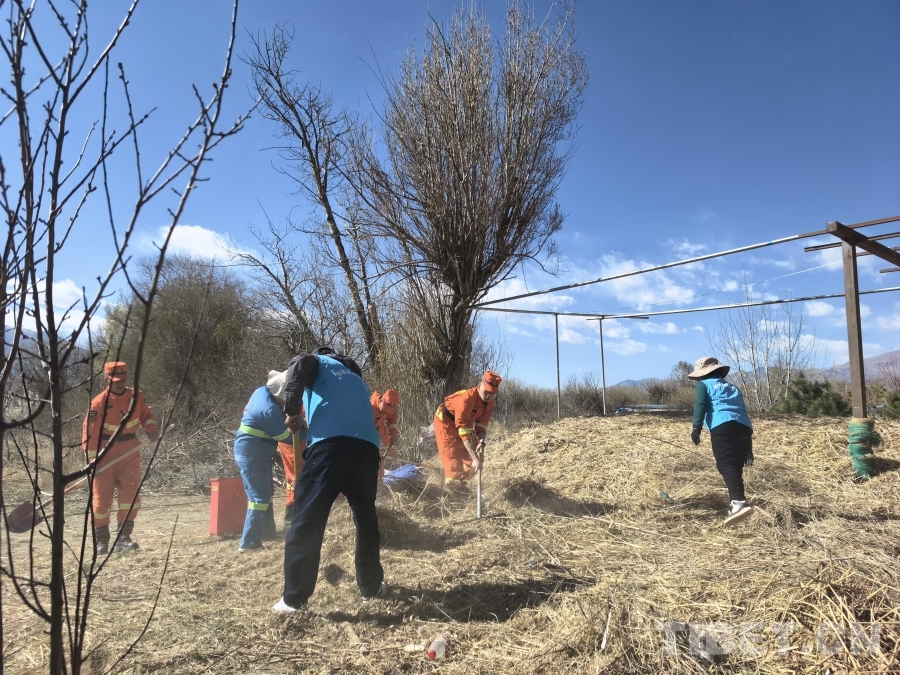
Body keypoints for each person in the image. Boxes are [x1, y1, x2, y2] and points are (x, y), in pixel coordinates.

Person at [273, 346, 385, 612]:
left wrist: (292, 410)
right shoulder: (356, 379)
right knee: (366, 520)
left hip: (330, 447)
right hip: (367, 450)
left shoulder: (318, 361)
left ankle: (293, 600)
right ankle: (372, 586)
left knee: (307, 519)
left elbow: (299, 365)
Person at [82, 361, 160, 554]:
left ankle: (123, 538)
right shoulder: (98, 403)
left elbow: (146, 414)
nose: (120, 384)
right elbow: (89, 436)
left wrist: (151, 428)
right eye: (116, 381)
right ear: (106, 379)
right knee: (102, 501)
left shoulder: (136, 397)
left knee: (130, 496)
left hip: (130, 452)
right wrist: (92, 462)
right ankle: (101, 541)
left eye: (123, 380)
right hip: (105, 454)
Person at [688, 356, 755, 526]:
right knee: (736, 465)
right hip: (744, 427)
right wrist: (748, 447)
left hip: (722, 424)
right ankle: (738, 501)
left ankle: (739, 503)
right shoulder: (733, 387)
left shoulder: (704, 385)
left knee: (726, 463)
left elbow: (700, 404)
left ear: (703, 373)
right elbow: (742, 409)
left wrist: (696, 427)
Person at [233, 370, 296, 551]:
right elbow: (287, 437)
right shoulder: (269, 411)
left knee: (265, 492)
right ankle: (249, 543)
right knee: (259, 498)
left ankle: (267, 532)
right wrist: (308, 433)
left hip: (254, 451)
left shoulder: (262, 391)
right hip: (253, 454)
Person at [433, 371, 502, 491]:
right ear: (480, 385)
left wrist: (481, 442)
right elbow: (464, 431)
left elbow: (482, 424)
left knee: (478, 461)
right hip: (446, 424)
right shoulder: (466, 399)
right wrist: (474, 457)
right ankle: (454, 489)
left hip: (465, 425)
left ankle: (461, 482)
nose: (489, 395)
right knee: (453, 464)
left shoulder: (490, 403)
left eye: (492, 393)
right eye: (487, 391)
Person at [277, 403, 306, 528]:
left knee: (298, 477)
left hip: (300, 441)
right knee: (295, 477)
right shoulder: (294, 399)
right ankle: (291, 519)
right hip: (293, 442)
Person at [370, 389, 400, 478]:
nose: (386, 413)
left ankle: (379, 482)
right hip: (364, 440)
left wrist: (394, 434)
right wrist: (391, 450)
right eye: (384, 411)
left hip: (373, 439)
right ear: (381, 401)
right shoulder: (371, 411)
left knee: (379, 466)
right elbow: (381, 431)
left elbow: (391, 419)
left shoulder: (387, 406)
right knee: (376, 463)